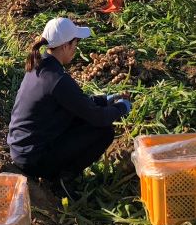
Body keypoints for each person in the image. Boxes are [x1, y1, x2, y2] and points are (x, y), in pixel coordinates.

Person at [7, 17, 131, 200]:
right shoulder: (57, 79)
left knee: (81, 119)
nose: (76, 48)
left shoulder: (40, 66)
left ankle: (59, 172)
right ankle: (62, 179)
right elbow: (98, 118)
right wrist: (122, 108)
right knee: (104, 131)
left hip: (23, 149)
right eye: (75, 43)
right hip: (34, 158)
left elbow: (76, 103)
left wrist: (104, 100)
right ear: (65, 46)